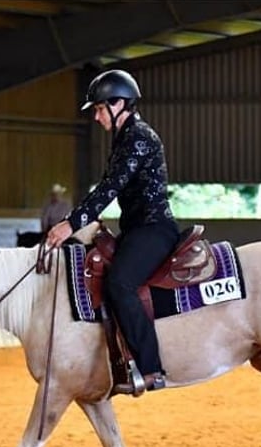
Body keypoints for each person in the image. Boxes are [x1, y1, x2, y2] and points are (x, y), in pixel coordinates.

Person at [46, 69, 180, 397]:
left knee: (120, 283)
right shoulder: (124, 138)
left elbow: (109, 188)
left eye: (99, 109)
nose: (95, 116)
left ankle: (150, 368)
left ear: (119, 104)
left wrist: (71, 223)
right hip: (136, 228)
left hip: (153, 228)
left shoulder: (138, 137)